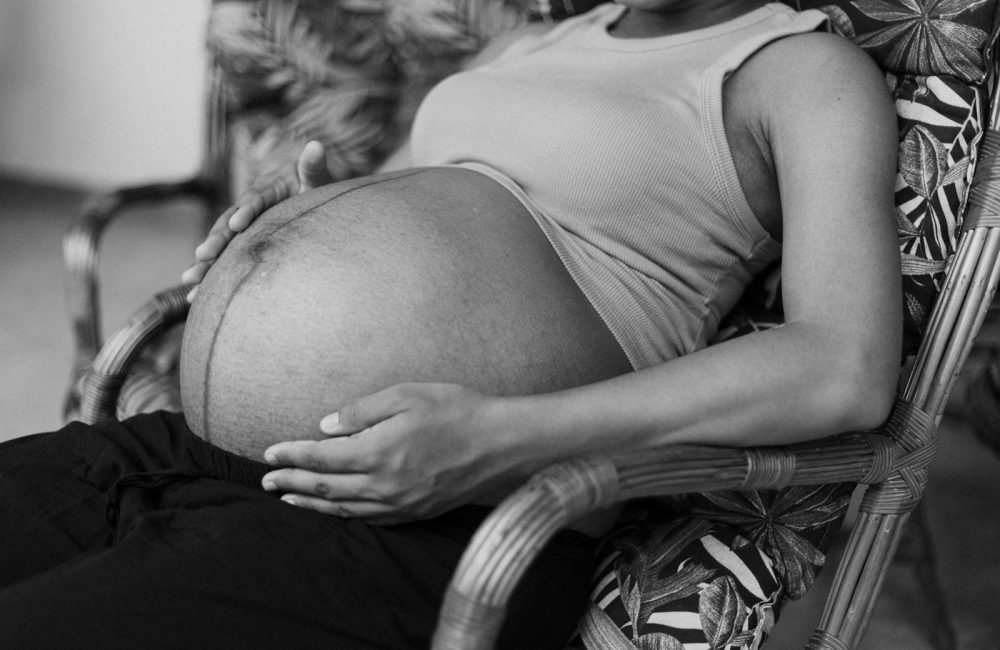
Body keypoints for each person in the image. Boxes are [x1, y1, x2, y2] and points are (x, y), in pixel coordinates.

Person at [0, 1, 901, 647]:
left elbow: (843, 364)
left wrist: (498, 437)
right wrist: (294, 219)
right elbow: (419, 199)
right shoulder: (530, 41)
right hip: (189, 449)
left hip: (427, 520)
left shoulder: (798, 71)